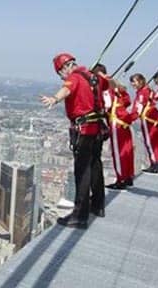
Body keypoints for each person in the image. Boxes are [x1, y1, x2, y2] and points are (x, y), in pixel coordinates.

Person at [40, 53, 109, 228]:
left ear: (65, 67)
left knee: (82, 171)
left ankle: (80, 215)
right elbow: (109, 85)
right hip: (98, 128)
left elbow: (67, 89)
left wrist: (54, 99)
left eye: (59, 73)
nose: (61, 76)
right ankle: (98, 205)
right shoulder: (93, 76)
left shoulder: (74, 77)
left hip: (84, 130)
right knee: (95, 165)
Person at [93, 64, 134, 190]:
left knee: (118, 152)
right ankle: (128, 177)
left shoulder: (105, 86)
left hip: (116, 122)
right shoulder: (117, 85)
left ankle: (121, 179)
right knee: (126, 150)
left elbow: (107, 104)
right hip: (124, 122)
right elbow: (127, 101)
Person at [129, 73, 158, 173]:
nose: (133, 84)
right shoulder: (149, 90)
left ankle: (154, 163)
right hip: (156, 118)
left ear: (140, 81)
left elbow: (138, 107)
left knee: (150, 142)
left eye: (134, 81)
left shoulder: (141, 93)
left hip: (148, 119)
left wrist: (130, 118)